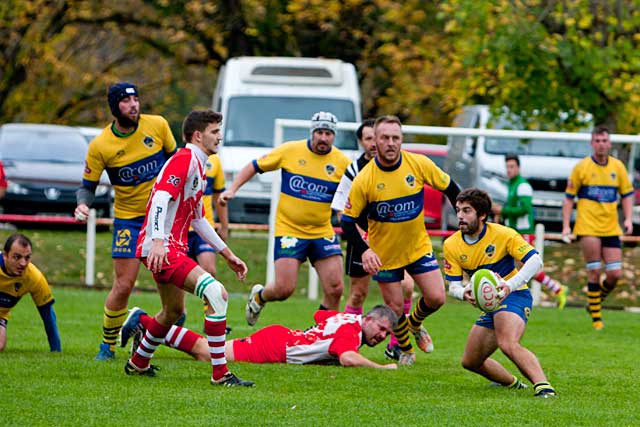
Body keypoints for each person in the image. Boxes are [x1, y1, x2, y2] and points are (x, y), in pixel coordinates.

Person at [126, 109, 253, 387]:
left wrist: (228, 254)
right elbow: (160, 199)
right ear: (198, 135)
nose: (220, 137)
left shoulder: (198, 165)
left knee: (172, 311)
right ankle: (221, 374)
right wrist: (158, 242)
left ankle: (138, 362)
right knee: (216, 293)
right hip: (163, 247)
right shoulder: (184, 160)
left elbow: (198, 219)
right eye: (215, 132)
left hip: (166, 247)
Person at [341, 115, 461, 365]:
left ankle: (416, 323)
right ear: (375, 140)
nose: (390, 143)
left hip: (417, 248)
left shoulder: (418, 164)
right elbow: (347, 221)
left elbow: (451, 188)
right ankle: (406, 350)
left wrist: (463, 219)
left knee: (437, 297)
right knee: (395, 309)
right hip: (385, 256)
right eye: (385, 138)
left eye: (396, 138)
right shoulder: (365, 179)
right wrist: (364, 250)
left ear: (401, 140)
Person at [75, 82, 177, 360]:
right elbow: (88, 185)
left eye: (136, 99)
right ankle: (107, 345)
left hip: (163, 218)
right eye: (125, 101)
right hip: (128, 221)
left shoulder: (157, 125)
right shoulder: (101, 145)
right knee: (124, 284)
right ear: (114, 107)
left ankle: (171, 329)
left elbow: (176, 163)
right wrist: (83, 204)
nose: (133, 104)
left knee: (172, 278)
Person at [220, 112, 352, 326]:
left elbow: (350, 195)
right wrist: (233, 189)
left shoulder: (342, 163)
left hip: (321, 231)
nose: (323, 138)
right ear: (312, 132)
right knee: (284, 289)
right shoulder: (291, 151)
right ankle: (259, 296)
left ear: (334, 136)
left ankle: (322, 334)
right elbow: (255, 165)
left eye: (328, 133)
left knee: (336, 288)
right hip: (290, 230)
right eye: (319, 132)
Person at [443, 188, 557, 398]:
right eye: (458, 210)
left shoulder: (504, 234)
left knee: (507, 343)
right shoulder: (451, 245)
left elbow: (535, 260)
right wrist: (464, 293)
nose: (460, 216)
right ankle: (513, 384)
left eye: (467, 211)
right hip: (490, 304)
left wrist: (509, 285)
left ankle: (544, 387)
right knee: (471, 361)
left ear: (482, 215)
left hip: (515, 295)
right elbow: (453, 286)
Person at [330, 119, 415, 360]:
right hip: (362, 242)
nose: (374, 144)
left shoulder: (400, 166)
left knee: (407, 287)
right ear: (363, 142)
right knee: (358, 294)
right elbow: (340, 211)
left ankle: (397, 343)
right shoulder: (354, 171)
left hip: (391, 242)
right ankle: (349, 338)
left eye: (374, 138)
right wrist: (364, 242)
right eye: (368, 139)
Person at [120, 304, 398, 369]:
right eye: (381, 329)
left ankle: (149, 330)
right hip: (278, 347)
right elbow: (348, 358)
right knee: (206, 352)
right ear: (369, 319)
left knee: (205, 351)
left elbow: (319, 316)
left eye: (387, 334)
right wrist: (381, 367)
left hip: (282, 338)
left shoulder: (348, 318)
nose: (382, 336)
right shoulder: (351, 332)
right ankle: (145, 320)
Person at [561, 126, 633, 330]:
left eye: (604, 140)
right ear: (592, 144)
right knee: (594, 273)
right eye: (597, 141)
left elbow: (627, 195)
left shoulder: (618, 167)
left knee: (615, 274)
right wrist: (566, 225)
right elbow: (568, 199)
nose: (601, 144)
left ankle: (593, 303)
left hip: (611, 227)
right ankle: (596, 320)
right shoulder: (581, 168)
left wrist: (627, 219)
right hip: (588, 227)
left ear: (609, 143)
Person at [492, 153, 568, 309]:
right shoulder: (512, 184)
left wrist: (503, 210)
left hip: (524, 231)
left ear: (518, 168)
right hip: (515, 232)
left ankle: (556, 289)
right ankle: (556, 288)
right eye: (507, 166)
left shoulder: (522, 185)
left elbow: (525, 209)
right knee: (518, 268)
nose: (509, 170)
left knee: (523, 267)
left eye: (512, 166)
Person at [0, 233, 61, 353]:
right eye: (17, 257)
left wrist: (56, 351)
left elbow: (48, 315)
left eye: (27, 258)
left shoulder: (34, 278)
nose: (23, 263)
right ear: (5, 255)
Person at [188, 153, 229, 277]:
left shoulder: (214, 160)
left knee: (209, 271)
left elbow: (219, 196)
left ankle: (212, 296)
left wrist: (224, 226)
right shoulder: (179, 156)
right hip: (180, 229)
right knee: (177, 280)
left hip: (205, 226)